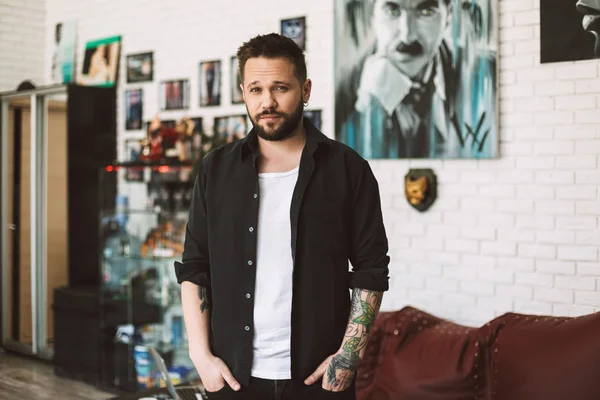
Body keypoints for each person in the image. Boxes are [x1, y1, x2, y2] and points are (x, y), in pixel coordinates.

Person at [174, 33, 390, 400]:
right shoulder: (216, 169)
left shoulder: (347, 169)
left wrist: (350, 354)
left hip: (317, 379)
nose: (267, 102)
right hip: (232, 378)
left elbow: (371, 269)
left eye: (280, 87)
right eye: (255, 89)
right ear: (243, 92)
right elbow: (195, 266)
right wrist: (200, 356)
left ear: (305, 90)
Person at [335, 0, 497, 159]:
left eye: (426, 12)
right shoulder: (340, 92)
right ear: (372, 16)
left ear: (448, 16)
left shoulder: (488, 77)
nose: (408, 36)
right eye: (392, 11)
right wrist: (370, 106)